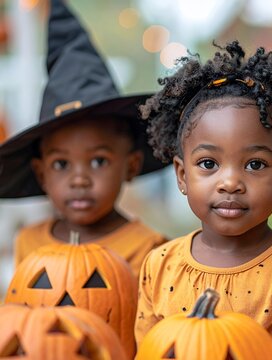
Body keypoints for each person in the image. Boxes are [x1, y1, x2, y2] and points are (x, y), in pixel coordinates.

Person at [134, 41, 272, 358]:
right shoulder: (160, 267)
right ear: (182, 176)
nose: (230, 183)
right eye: (209, 164)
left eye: (255, 164)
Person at [0, 0, 167, 277]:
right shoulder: (28, 244)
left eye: (99, 161)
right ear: (41, 174)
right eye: (61, 164)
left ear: (132, 165)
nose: (79, 179)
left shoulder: (151, 251)